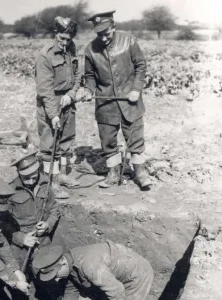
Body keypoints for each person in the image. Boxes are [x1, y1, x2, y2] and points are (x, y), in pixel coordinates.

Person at [82, 11, 152, 189]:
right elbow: (89, 76)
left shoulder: (129, 41)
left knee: (135, 137)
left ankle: (140, 172)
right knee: (108, 140)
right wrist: (88, 90)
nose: (103, 38)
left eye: (106, 33)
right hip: (105, 103)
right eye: (99, 34)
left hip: (130, 101)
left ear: (113, 27)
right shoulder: (90, 49)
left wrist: (136, 89)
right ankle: (113, 173)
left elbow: (141, 66)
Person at [0, 151, 61, 299]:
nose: (31, 181)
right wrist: (20, 238)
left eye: (34, 177)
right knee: (20, 282)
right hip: (20, 247)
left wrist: (47, 224)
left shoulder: (45, 183)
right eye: (26, 178)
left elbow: (55, 209)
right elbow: (1, 222)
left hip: (43, 241)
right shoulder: (10, 191)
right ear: (19, 173)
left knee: (46, 278)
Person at [35, 16, 81, 199]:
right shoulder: (45, 55)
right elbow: (45, 89)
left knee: (66, 140)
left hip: (68, 101)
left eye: (68, 39)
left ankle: (62, 175)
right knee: (50, 144)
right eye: (62, 38)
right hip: (50, 102)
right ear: (56, 34)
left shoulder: (72, 49)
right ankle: (51, 183)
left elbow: (78, 75)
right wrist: (53, 115)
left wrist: (72, 94)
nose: (65, 43)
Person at [32, 240, 154, 300]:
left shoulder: (89, 266)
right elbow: (71, 287)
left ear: (63, 263)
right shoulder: (69, 262)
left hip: (137, 275)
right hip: (111, 277)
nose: (57, 280)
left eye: (56, 275)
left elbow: (117, 292)